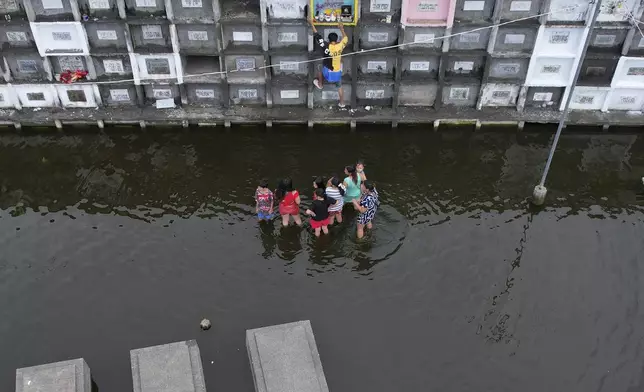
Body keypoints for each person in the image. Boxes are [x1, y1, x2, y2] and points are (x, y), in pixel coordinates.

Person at [309, 13, 349, 108]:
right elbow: (345, 38)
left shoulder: (326, 46)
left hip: (328, 75)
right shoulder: (341, 45)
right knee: (340, 86)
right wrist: (341, 28)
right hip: (337, 73)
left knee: (319, 66)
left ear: (328, 39)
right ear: (337, 39)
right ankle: (342, 102)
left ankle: (320, 84)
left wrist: (311, 23)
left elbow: (317, 35)